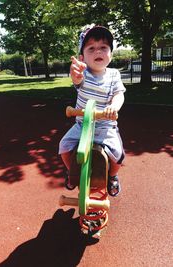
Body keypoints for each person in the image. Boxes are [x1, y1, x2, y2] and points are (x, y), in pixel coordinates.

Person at [59, 25, 126, 197]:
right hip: (82, 125)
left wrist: (114, 107)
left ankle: (112, 176)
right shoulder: (83, 74)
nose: (98, 51)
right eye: (91, 48)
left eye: (103, 47)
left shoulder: (114, 75)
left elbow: (119, 94)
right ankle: (72, 172)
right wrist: (76, 74)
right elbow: (77, 80)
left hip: (105, 127)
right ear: (82, 57)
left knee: (117, 154)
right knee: (64, 146)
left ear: (111, 53)